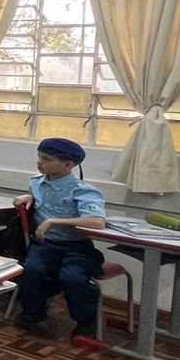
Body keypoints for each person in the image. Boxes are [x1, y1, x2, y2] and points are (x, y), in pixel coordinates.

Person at [12, 137, 108, 340]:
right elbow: (42, 199)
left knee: (73, 278)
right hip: (46, 245)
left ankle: (86, 322)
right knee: (31, 270)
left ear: (68, 164)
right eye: (39, 156)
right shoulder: (36, 183)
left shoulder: (83, 190)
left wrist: (55, 222)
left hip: (76, 247)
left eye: (47, 159)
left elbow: (97, 221)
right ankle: (33, 313)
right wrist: (28, 197)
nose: (40, 162)